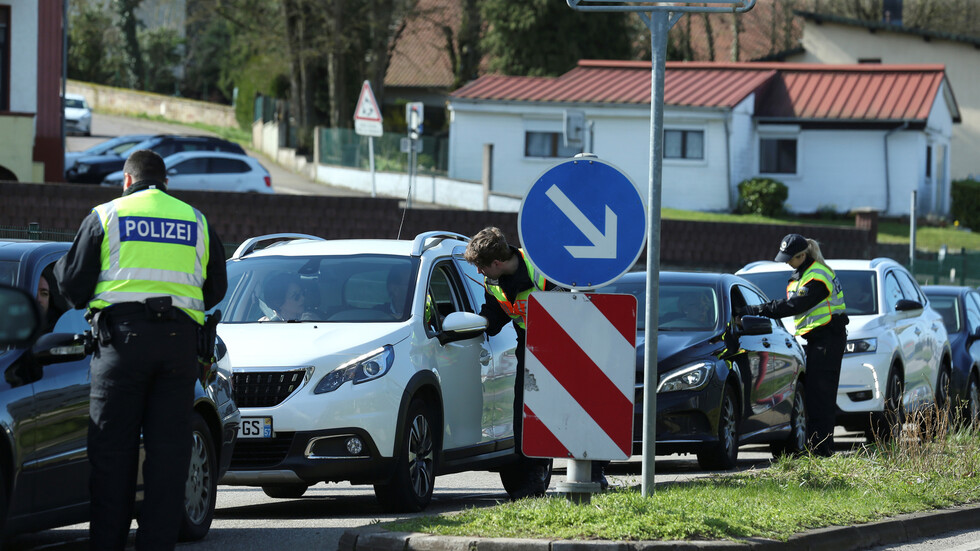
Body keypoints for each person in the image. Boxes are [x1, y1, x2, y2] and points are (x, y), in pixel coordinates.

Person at [53, 149, 227, 550]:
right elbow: (215, 289)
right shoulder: (194, 220)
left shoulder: (106, 216)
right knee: (168, 459)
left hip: (121, 345)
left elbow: (72, 287)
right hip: (178, 348)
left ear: (127, 181)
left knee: (113, 453)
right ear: (165, 184)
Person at [463, 227, 608, 493]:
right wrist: (480, 322)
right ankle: (531, 477)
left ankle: (593, 470)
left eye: (482, 267)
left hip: (569, 348)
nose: (479, 273)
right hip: (530, 350)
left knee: (579, 411)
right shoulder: (493, 282)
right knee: (528, 418)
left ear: (496, 262)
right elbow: (496, 314)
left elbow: (583, 301)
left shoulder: (544, 267)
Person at [737, 233, 847, 457]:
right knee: (815, 397)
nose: (787, 262)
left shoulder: (817, 276)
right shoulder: (804, 273)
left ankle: (822, 450)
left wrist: (760, 309)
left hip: (828, 339)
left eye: (790, 258)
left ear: (802, 255)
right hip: (818, 340)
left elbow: (794, 305)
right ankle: (818, 447)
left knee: (821, 398)